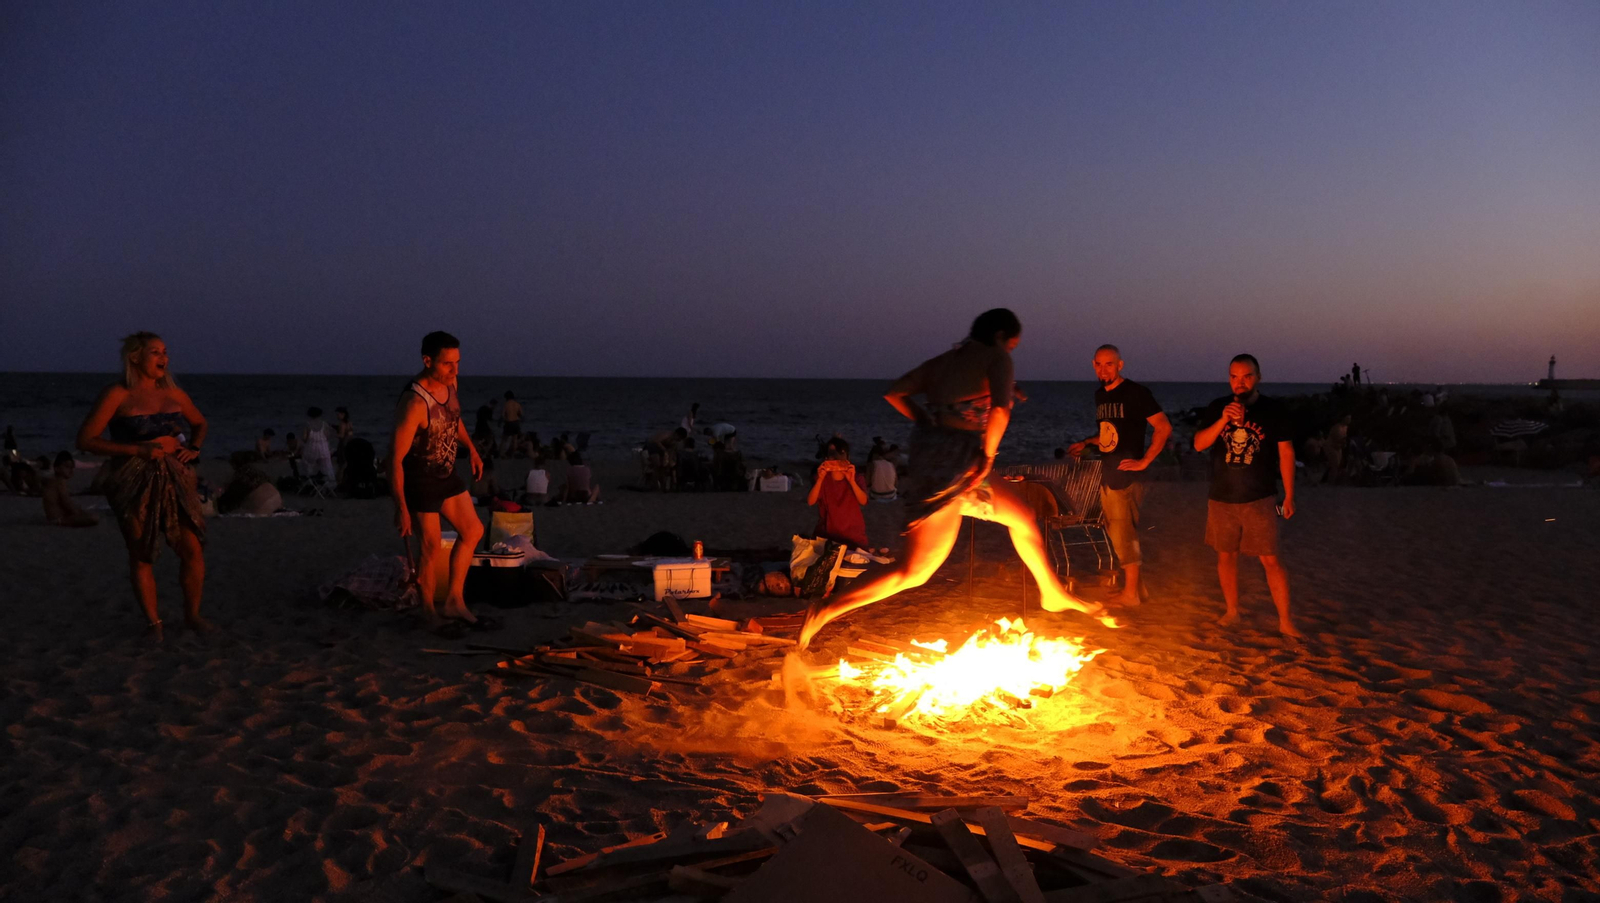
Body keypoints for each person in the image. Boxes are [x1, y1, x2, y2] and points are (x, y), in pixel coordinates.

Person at [799, 309, 1115, 648]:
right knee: (914, 572)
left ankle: (1052, 592)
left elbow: (894, 393)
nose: (1010, 352)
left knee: (1022, 516)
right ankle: (826, 610)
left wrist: (926, 419)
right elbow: (1000, 410)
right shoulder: (995, 357)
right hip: (957, 468)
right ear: (1000, 337)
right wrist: (989, 454)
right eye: (1011, 345)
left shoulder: (946, 362)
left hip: (934, 459)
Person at [76, 332, 209, 639]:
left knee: (192, 548)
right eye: (155, 352)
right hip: (133, 478)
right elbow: (85, 440)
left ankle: (193, 616)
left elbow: (200, 423)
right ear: (135, 357)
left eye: (165, 352)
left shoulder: (174, 393)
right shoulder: (117, 394)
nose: (164, 358)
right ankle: (154, 624)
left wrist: (195, 449)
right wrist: (138, 450)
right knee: (142, 551)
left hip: (176, 476)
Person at [1193, 354, 1302, 639]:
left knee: (1270, 559)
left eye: (1247, 376)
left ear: (1258, 377)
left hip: (1260, 498)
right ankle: (1232, 611)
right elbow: (1198, 444)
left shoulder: (1273, 410)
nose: (1240, 383)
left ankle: (1285, 621)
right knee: (1226, 556)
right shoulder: (1218, 407)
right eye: (1234, 377)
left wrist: (1289, 495)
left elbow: (1286, 452)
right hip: (1221, 497)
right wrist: (1222, 420)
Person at [390, 331, 487, 633]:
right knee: (430, 546)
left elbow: (453, 419)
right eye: (448, 364)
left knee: (473, 530)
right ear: (427, 360)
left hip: (446, 474)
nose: (455, 370)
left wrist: (471, 449)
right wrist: (401, 507)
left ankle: (455, 601)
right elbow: (393, 460)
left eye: (457, 362)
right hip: (419, 481)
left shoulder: (450, 384)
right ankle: (428, 612)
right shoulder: (414, 402)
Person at [1067, 345, 1171, 607]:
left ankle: (1131, 595)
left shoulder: (1136, 393)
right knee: (1119, 533)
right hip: (1108, 472)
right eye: (1099, 365)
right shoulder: (1100, 395)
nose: (1104, 369)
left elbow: (1163, 427)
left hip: (1127, 477)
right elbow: (1109, 434)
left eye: (1109, 364)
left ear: (1120, 365)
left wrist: (1145, 460)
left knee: (1124, 535)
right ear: (1093, 365)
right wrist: (1087, 444)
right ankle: (1138, 590)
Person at [809, 436, 870, 547]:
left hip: (853, 533)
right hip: (828, 534)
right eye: (832, 454)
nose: (836, 458)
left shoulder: (856, 477)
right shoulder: (822, 478)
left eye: (840, 453)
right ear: (826, 457)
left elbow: (863, 501)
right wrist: (820, 479)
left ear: (847, 456)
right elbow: (811, 501)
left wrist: (851, 481)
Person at [42, 452, 99, 527]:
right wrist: (78, 513)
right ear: (57, 468)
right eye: (67, 467)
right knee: (93, 518)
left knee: (86, 513)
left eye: (72, 467)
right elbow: (66, 502)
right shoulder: (60, 482)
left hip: (56, 517)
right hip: (58, 519)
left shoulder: (54, 481)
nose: (70, 470)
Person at [301, 407, 336, 484]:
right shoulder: (324, 424)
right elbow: (328, 436)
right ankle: (329, 484)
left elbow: (304, 438)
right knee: (327, 466)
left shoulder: (307, 424)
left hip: (311, 448)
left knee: (307, 464)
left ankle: (309, 482)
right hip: (323, 448)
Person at [500, 391, 523, 456]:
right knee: (514, 439)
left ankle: (501, 454)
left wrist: (500, 422)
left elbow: (502, 415)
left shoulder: (506, 404)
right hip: (516, 423)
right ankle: (512, 454)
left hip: (508, 423)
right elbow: (521, 414)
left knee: (504, 439)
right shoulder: (517, 404)